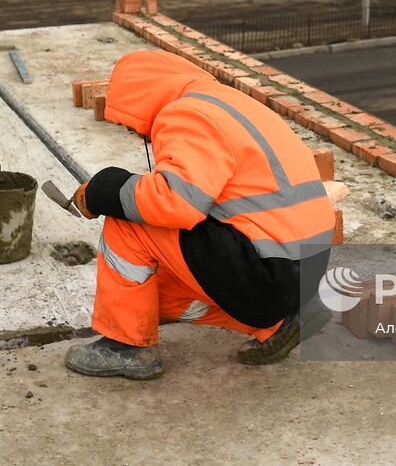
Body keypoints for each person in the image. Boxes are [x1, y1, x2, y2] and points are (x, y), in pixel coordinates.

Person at [63, 50, 334, 380]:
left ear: (140, 96)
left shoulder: (187, 113)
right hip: (304, 267)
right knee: (152, 293)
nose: (136, 133)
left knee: (129, 222)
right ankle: (279, 322)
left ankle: (126, 347)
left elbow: (175, 202)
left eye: (128, 123)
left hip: (268, 270)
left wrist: (102, 191)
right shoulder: (231, 105)